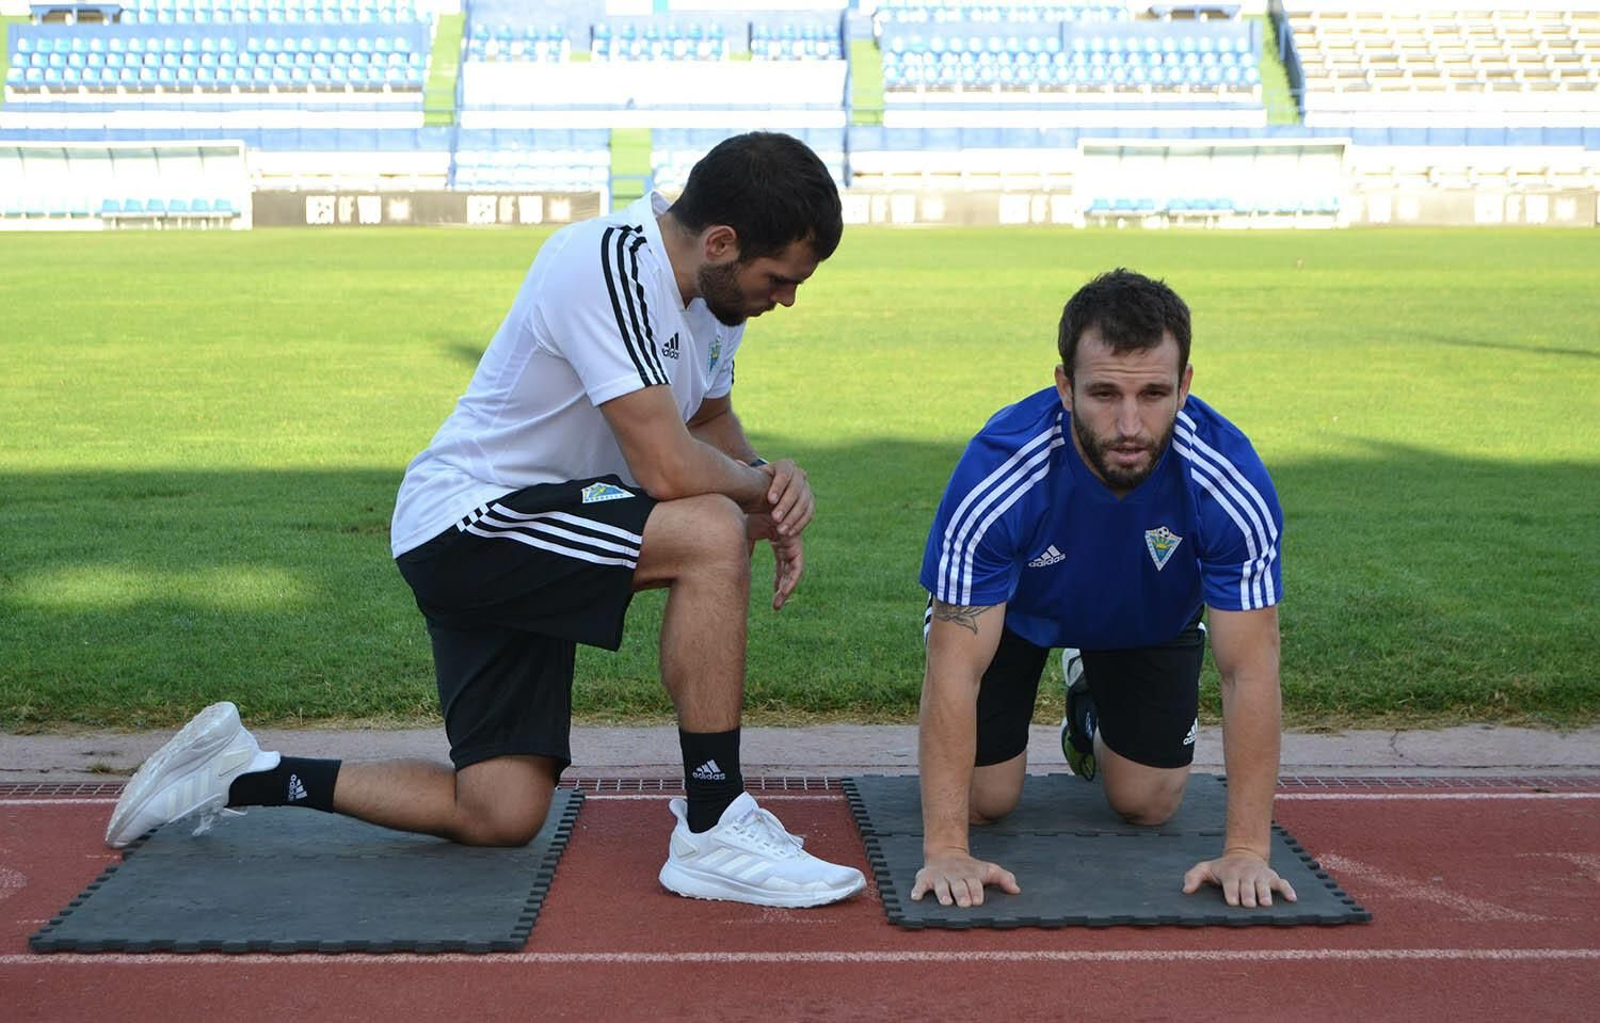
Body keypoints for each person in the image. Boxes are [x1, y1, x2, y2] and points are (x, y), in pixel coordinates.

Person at [104, 131, 866, 910]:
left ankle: (237, 772)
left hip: (540, 528)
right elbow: (669, 470)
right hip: (469, 521)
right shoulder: (603, 262)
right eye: (780, 279)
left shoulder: (716, 299)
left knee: (499, 810)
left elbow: (708, 423)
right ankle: (714, 822)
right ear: (721, 242)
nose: (786, 299)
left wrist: (770, 487)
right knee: (707, 529)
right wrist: (754, 489)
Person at [910, 269, 1296, 911]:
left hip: (1150, 615)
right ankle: (1065, 674)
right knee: (985, 801)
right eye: (1104, 393)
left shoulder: (1228, 481)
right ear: (1064, 387)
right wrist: (947, 848)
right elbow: (954, 664)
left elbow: (1249, 668)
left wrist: (1247, 850)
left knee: (1148, 803)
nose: (1129, 424)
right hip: (1015, 615)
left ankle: (1087, 700)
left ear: (1186, 386)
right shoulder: (998, 473)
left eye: (1154, 394)